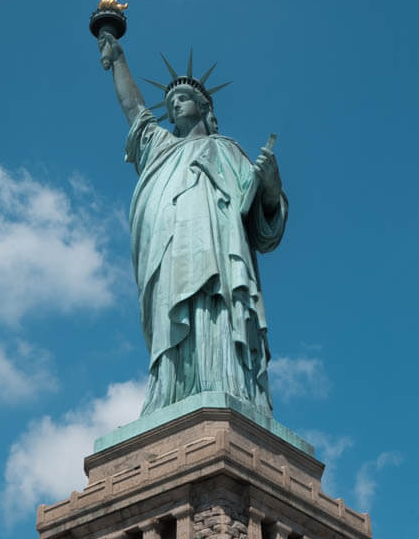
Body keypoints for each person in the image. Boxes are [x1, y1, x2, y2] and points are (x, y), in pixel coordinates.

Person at [97, 32, 288, 417]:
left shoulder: (227, 150)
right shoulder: (160, 149)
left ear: (203, 108)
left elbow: (262, 228)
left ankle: (226, 384)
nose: (173, 106)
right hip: (169, 250)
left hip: (217, 252)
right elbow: (135, 110)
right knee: (173, 317)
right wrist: (118, 60)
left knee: (215, 307)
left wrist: (270, 188)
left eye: (181, 99)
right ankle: (171, 392)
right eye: (169, 103)